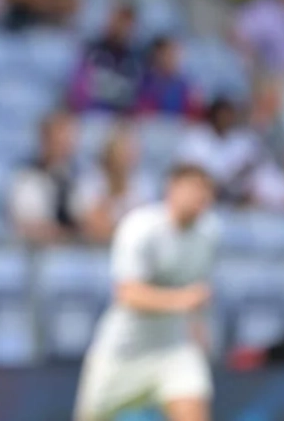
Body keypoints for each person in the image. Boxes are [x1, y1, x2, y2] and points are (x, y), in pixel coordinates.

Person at [74, 164, 218, 421]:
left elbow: (198, 288)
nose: (201, 197)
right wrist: (182, 300)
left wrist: (198, 328)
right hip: (123, 352)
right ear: (172, 189)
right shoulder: (140, 227)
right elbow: (128, 294)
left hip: (174, 348)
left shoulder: (208, 236)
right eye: (194, 188)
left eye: (206, 191)